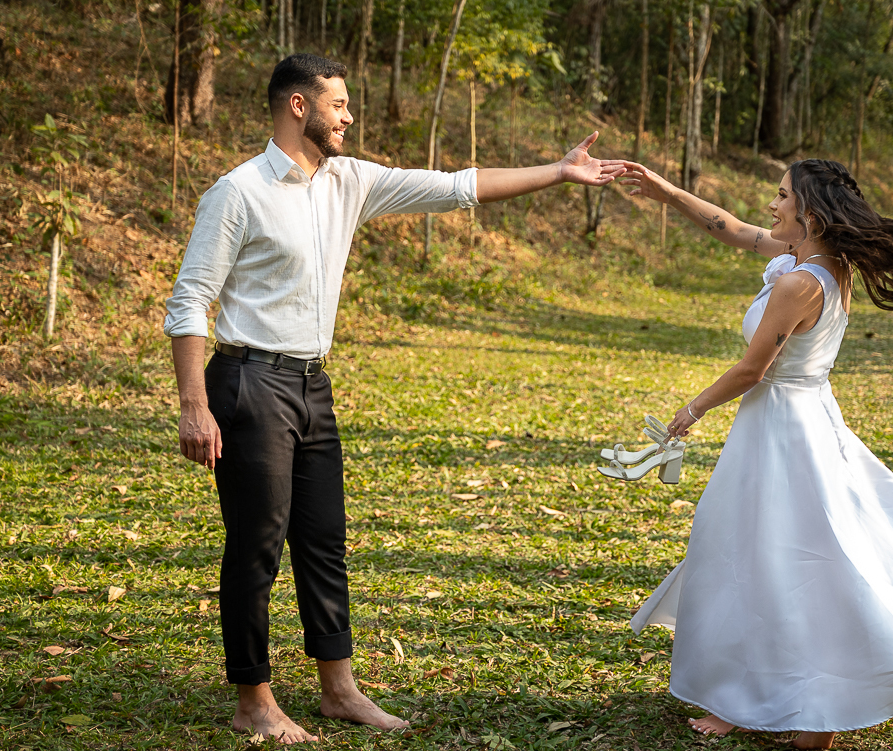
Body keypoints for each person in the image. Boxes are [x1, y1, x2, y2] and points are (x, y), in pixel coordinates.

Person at [164, 53, 624, 744]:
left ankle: (338, 687)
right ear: (298, 106)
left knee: (323, 540)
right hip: (248, 382)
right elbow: (190, 301)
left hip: (312, 384)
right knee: (257, 545)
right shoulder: (239, 191)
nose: (349, 116)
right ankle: (254, 699)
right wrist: (194, 404)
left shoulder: (350, 180)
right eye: (339, 104)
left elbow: (456, 186)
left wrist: (558, 172)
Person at [618, 159, 893, 749]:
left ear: (811, 214)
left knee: (792, 560)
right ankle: (749, 696)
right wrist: (665, 191)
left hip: (787, 430)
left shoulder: (799, 283)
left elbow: (755, 368)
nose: (771, 207)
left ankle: (815, 709)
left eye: (781, 197)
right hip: (794, 421)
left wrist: (691, 411)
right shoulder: (813, 264)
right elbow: (729, 227)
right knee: (753, 552)